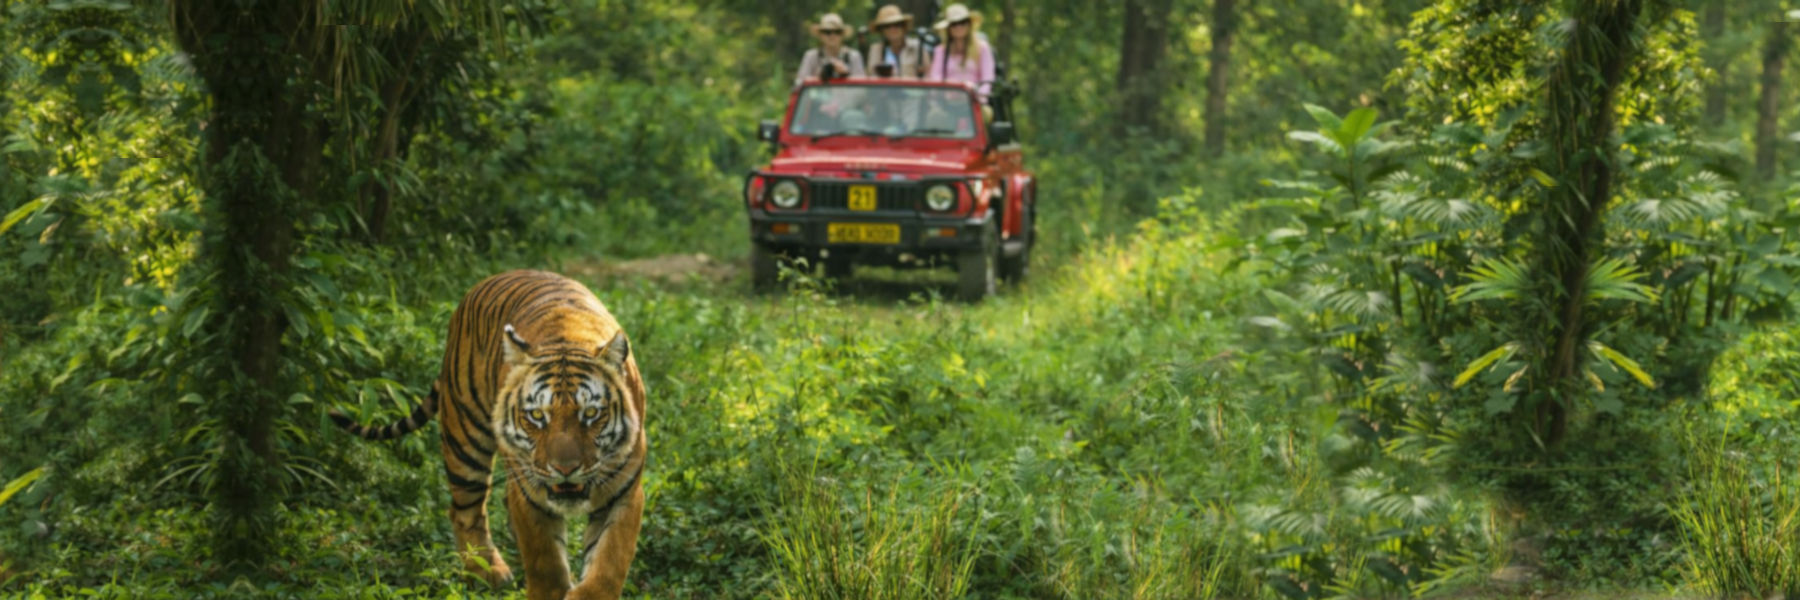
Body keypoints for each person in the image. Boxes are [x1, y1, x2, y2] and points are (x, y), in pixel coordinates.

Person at [927, 4, 995, 100]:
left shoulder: (982, 48)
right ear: (948, 28)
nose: (958, 27)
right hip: (945, 102)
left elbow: (987, 79)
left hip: (974, 104)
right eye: (954, 24)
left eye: (962, 22)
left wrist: (979, 97)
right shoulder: (940, 51)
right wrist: (942, 95)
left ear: (969, 25)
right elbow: (935, 77)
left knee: (987, 114)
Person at [794, 13, 865, 87]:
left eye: (837, 32)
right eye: (827, 32)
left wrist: (846, 74)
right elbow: (799, 85)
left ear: (842, 35)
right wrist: (819, 77)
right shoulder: (811, 56)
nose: (832, 35)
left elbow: (862, 89)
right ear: (820, 34)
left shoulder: (853, 56)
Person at [865, 5, 925, 79]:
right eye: (887, 26)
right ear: (881, 30)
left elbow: (929, 78)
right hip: (885, 89)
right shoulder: (876, 50)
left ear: (904, 26)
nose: (892, 29)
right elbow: (871, 78)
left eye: (897, 24)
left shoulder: (918, 47)